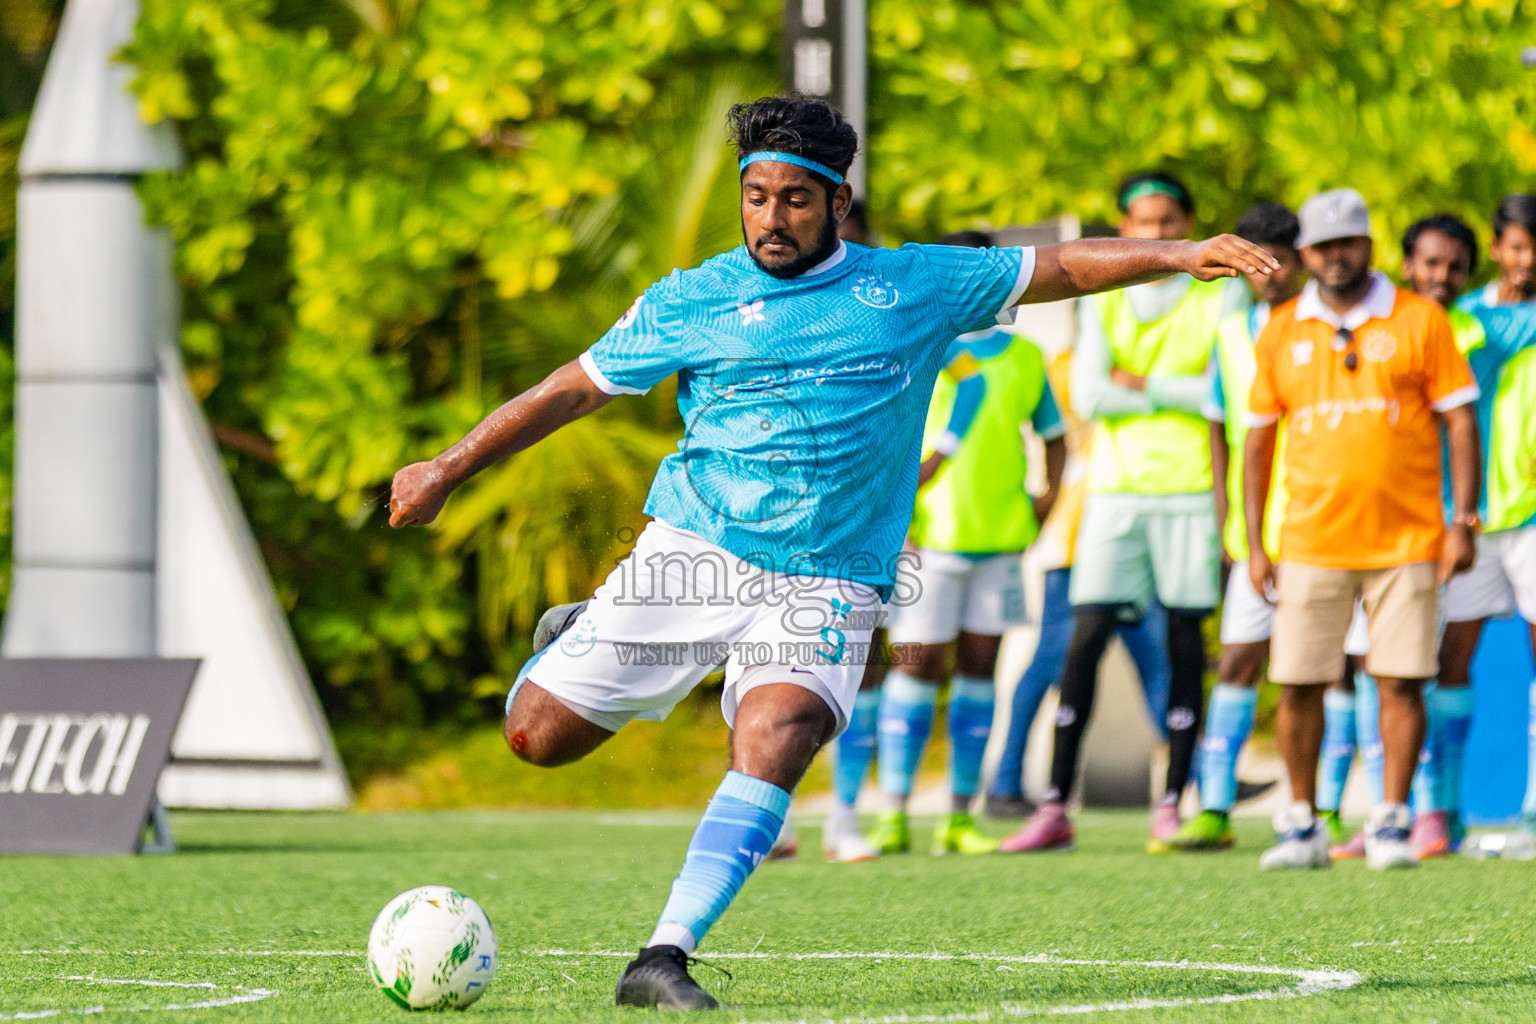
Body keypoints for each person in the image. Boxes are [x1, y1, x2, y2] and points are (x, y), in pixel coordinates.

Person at [388, 97, 1277, 1008]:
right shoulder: (692, 297)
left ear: (839, 203)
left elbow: (1062, 268)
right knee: (535, 739)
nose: (773, 218)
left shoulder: (916, 286)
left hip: (830, 575)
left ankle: (665, 953)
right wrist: (448, 467)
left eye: (796, 200)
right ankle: (576, 634)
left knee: (780, 733)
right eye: (759, 197)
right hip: (695, 550)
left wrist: (1179, 254)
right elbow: (571, 391)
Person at [1245, 188, 1480, 873]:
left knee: (1401, 680)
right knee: (1298, 683)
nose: (1335, 257)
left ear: (1370, 246)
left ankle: (1392, 820)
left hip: (1407, 539)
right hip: (1311, 540)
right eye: (1321, 247)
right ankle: (1301, 823)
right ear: (1305, 254)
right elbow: (1258, 442)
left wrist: (1462, 521)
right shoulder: (1282, 327)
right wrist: (1256, 543)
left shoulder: (1419, 320)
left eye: (1348, 243)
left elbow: (1460, 420)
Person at [1007, 172, 1237, 854]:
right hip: (1113, 492)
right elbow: (1093, 395)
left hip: (1193, 491)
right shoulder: (1100, 297)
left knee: (1186, 647)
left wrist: (1143, 384)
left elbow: (1222, 391)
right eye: (1142, 222)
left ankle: (1173, 802)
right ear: (1124, 228)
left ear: (1189, 224)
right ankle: (1054, 804)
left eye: (1169, 221)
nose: (1157, 233)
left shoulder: (1220, 294)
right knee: (1082, 642)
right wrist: (1176, 392)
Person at [862, 229, 1067, 857]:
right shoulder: (917, 342)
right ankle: (892, 814)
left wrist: (1046, 499)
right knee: (917, 671)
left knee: (981, 673)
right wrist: (897, 522)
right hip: (929, 542)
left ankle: (957, 818)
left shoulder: (1026, 356)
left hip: (1002, 542)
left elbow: (1055, 435)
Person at [1165, 202, 1307, 852]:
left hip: (1322, 524)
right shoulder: (1229, 335)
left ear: (1299, 259)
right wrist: (1227, 518)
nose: (1266, 273)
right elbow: (1220, 428)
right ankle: (1215, 805)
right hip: (1254, 533)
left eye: (1277, 259)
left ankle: (1326, 807)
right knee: (1239, 660)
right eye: (1254, 261)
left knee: (1330, 670)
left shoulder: (1320, 327)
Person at [1441, 198, 1536, 842]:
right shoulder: (1460, 317)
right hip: (1466, 514)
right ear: (1497, 249)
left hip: (1533, 513)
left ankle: (1532, 809)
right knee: (1451, 660)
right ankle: (1440, 810)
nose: (1525, 260)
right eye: (1516, 247)